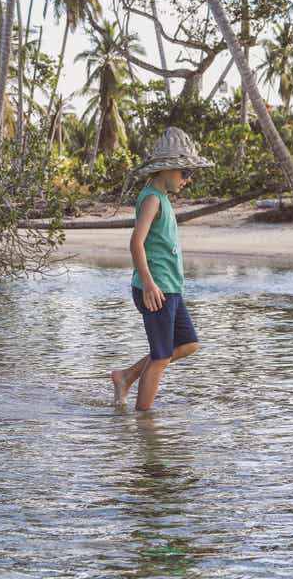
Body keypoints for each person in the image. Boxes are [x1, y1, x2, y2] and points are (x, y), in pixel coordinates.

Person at [110, 126, 213, 411]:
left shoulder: (162, 199)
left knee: (189, 343)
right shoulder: (152, 199)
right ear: (166, 170)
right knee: (160, 358)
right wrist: (149, 283)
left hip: (170, 287)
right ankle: (146, 427)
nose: (187, 179)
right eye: (184, 173)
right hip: (156, 288)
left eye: (189, 173)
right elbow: (136, 243)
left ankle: (127, 376)